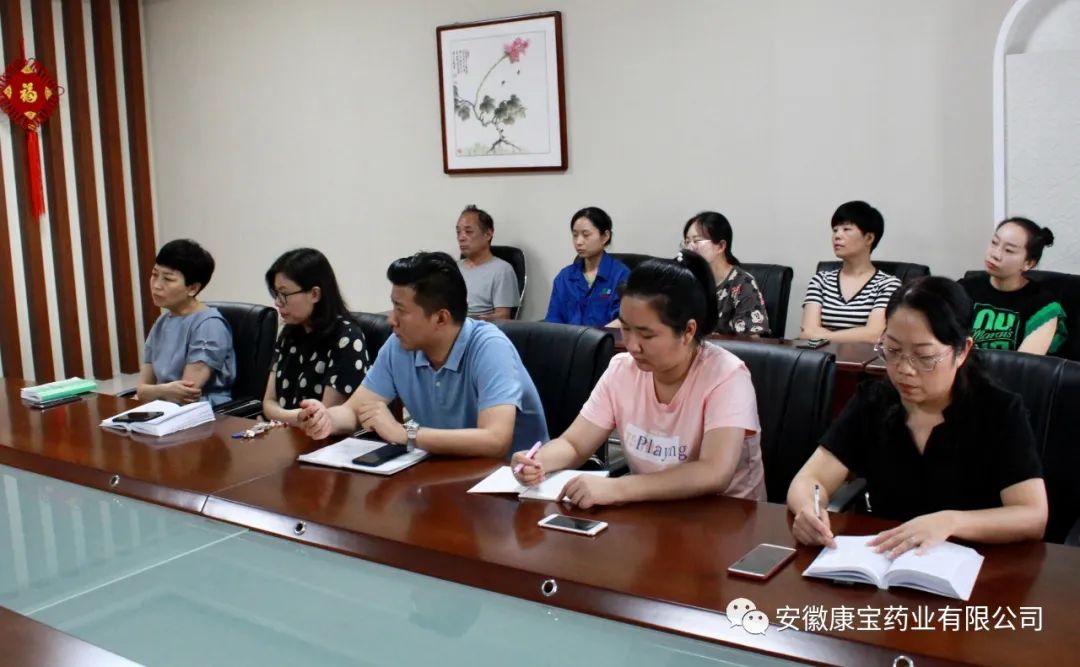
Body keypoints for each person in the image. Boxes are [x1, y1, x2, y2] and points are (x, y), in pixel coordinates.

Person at [787, 277, 1047, 557]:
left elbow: (1032, 515)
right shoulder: (873, 401)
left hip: (976, 566)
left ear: (962, 351)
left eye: (924, 357)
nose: (904, 369)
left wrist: (952, 521)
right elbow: (810, 478)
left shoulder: (998, 411)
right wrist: (809, 509)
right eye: (893, 350)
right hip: (885, 561)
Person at [513, 250, 766, 508]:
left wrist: (619, 487)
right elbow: (575, 444)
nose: (632, 345)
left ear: (688, 331)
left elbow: (714, 472)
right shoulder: (622, 369)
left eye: (646, 335)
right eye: (626, 328)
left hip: (726, 517)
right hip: (651, 510)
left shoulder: (727, 376)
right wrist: (538, 461)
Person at [299, 251, 548, 458]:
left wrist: (405, 434)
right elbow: (355, 410)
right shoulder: (400, 345)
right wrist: (326, 418)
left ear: (441, 318)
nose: (391, 320)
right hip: (444, 472)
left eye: (401, 310)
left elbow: (495, 441)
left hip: (511, 481)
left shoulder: (490, 347)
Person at [261, 248, 370, 425]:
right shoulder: (289, 334)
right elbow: (268, 403)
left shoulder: (346, 337)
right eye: (276, 293)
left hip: (321, 437)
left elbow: (325, 417)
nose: (277, 302)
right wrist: (296, 417)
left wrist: (288, 417)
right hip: (286, 431)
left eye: (284, 294)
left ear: (314, 294)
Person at [138, 239, 236, 406]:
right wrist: (162, 391)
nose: (156, 285)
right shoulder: (162, 321)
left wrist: (154, 391)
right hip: (164, 406)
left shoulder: (209, 325)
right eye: (154, 275)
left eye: (168, 279)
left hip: (204, 411)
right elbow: (141, 390)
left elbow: (186, 394)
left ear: (192, 288)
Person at [959, 217, 1066, 355]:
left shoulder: (1043, 306)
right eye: (994, 242)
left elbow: (1025, 364)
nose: (995, 254)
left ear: (1028, 263)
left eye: (1009, 250)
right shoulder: (963, 289)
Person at [800, 201, 901, 343]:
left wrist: (820, 335)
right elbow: (806, 332)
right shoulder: (821, 280)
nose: (837, 236)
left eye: (846, 229)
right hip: (821, 357)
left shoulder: (888, 285)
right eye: (835, 230)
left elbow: (874, 335)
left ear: (869, 238)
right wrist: (858, 334)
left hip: (863, 357)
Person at [682, 211, 770, 336]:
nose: (690, 248)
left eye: (697, 241)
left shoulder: (742, 283)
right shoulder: (687, 280)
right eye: (687, 242)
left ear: (721, 246)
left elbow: (752, 340)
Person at [544, 206, 630, 326]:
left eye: (586, 235)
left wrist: (597, 336)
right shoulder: (564, 277)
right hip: (568, 338)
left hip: (606, 337)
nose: (578, 242)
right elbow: (553, 321)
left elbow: (624, 320)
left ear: (605, 236)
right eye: (575, 235)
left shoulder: (621, 275)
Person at [456, 205, 519, 320]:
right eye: (458, 232)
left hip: (478, 328)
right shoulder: (453, 268)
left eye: (468, 231)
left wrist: (469, 322)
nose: (461, 238)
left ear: (488, 234)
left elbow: (503, 316)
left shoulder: (502, 270)